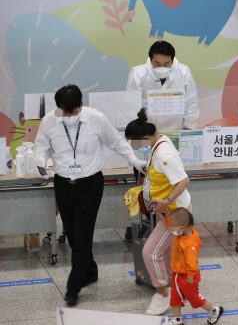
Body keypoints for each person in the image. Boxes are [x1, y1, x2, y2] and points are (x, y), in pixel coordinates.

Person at [34, 84, 147, 307]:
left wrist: (134, 161)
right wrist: (40, 160)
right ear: (59, 108)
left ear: (81, 105)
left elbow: (116, 143)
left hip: (90, 184)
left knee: (83, 235)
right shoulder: (49, 121)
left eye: (73, 112)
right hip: (63, 184)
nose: (68, 117)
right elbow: (41, 147)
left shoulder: (96, 118)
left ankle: (73, 287)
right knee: (75, 236)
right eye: (64, 113)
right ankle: (90, 272)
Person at [124, 40, 198, 242]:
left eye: (166, 64)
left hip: (173, 135)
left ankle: (171, 219)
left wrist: (189, 132)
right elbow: (130, 104)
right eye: (157, 64)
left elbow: (191, 103)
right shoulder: (138, 73)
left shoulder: (183, 72)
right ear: (150, 60)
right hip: (146, 137)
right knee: (144, 182)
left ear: (172, 61)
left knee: (171, 179)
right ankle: (138, 220)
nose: (162, 68)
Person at [125, 109, 192, 315]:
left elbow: (183, 180)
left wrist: (168, 200)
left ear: (144, 138)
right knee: (171, 254)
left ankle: (162, 294)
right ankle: (181, 289)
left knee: (151, 252)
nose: (133, 147)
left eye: (134, 143)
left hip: (175, 212)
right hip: (168, 210)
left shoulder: (164, 153)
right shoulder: (158, 142)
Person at [168, 208, 224, 325]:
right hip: (177, 273)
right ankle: (177, 320)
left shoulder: (190, 244)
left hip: (187, 276)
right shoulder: (182, 232)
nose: (170, 229)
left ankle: (214, 310)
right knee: (175, 297)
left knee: (194, 298)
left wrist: (190, 277)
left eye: (172, 227)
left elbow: (192, 262)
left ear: (182, 227)